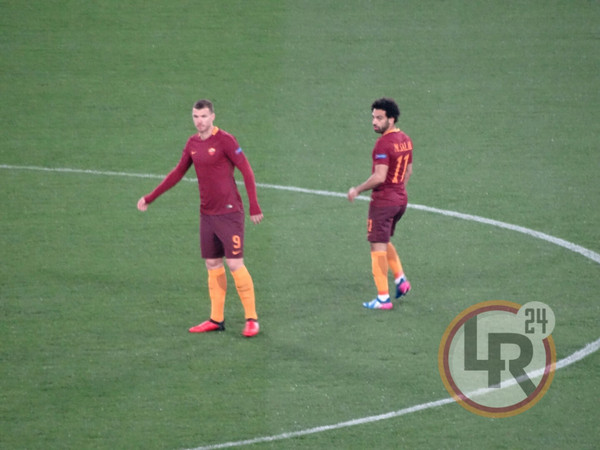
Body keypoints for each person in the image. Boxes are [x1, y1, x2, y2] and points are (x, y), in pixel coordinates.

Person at [137, 99, 264, 337]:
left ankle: (251, 319)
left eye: (204, 116)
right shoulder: (192, 143)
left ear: (213, 116)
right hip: (207, 214)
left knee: (234, 264)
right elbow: (177, 172)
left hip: (229, 213)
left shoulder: (226, 140)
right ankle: (216, 319)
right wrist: (151, 197)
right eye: (196, 117)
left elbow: (246, 170)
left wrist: (254, 205)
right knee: (212, 264)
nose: (199, 121)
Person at [347, 97, 412, 310]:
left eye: (379, 118)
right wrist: (398, 191)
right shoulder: (405, 139)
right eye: (373, 117)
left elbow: (379, 177)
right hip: (400, 199)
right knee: (383, 240)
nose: (374, 122)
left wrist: (357, 189)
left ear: (391, 119)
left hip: (384, 202)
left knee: (376, 246)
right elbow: (408, 170)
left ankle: (383, 298)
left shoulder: (383, 143)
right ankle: (401, 280)